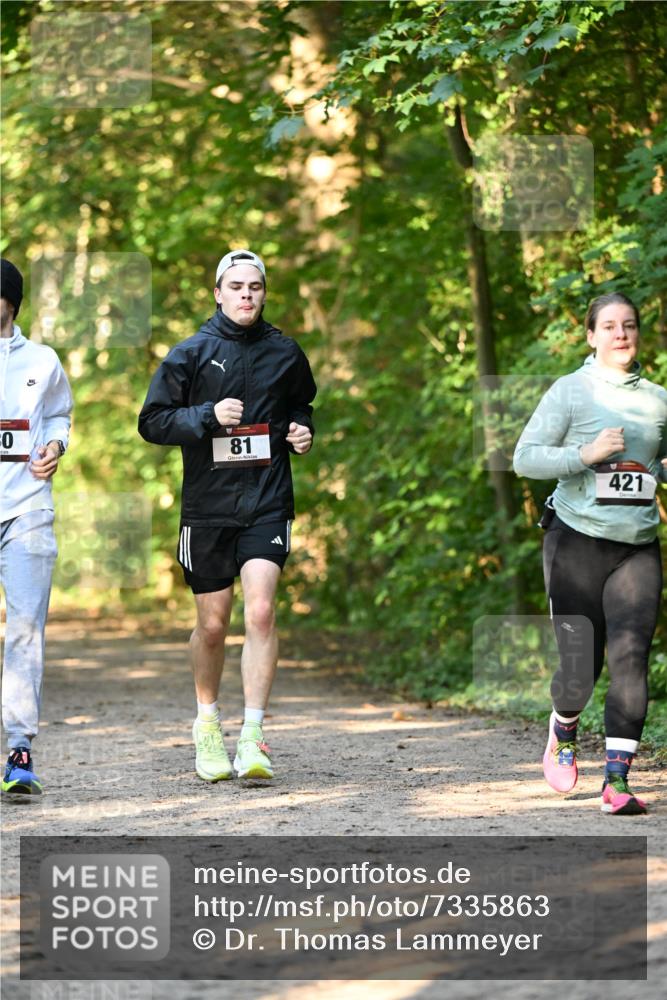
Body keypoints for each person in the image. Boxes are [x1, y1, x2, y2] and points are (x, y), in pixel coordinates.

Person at [138, 250, 316, 783]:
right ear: (217, 292)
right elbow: (152, 421)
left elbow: (302, 405)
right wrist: (205, 417)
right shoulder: (191, 353)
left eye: (255, 287)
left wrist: (301, 432)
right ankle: (208, 724)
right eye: (235, 286)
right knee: (213, 626)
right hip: (208, 509)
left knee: (260, 612)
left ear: (264, 293)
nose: (246, 295)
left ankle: (254, 735)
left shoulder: (285, 352)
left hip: (266, 502)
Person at [514, 292, 666, 815]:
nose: (620, 333)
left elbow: (660, 463)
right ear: (590, 336)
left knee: (631, 656)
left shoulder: (657, 399)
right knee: (580, 666)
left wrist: (660, 469)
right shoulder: (570, 392)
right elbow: (525, 459)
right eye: (608, 326)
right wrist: (586, 455)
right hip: (575, 539)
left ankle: (617, 782)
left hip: (638, 547)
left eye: (629, 325)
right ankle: (563, 728)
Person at [1, 258, 73, 795]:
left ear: (11, 304)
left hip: (27, 508)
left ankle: (19, 750)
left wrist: (54, 445)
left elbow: (59, 415)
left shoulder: (43, 361)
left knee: (25, 629)